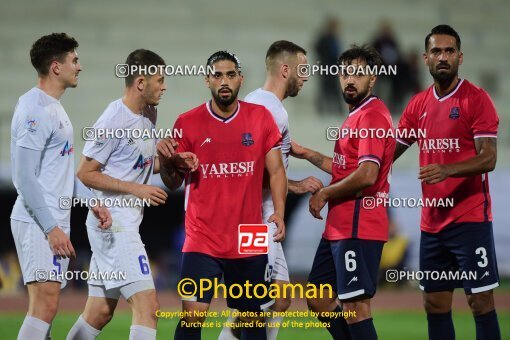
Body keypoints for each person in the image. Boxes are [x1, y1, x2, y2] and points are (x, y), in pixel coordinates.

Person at [158, 50, 287, 340]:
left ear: (240, 79)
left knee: (252, 317)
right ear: (207, 80)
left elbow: (277, 171)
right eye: (217, 75)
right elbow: (173, 182)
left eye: (230, 74)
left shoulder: (261, 118)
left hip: (249, 234)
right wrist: (169, 162)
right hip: (202, 235)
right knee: (192, 317)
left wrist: (277, 211)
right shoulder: (187, 122)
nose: (224, 81)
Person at [67, 49, 187, 340]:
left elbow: (139, 165)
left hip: (125, 222)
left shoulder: (149, 113)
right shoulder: (113, 119)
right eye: (160, 80)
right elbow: (85, 172)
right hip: (113, 224)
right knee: (148, 306)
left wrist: (172, 161)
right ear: (141, 82)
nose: (165, 86)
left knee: (99, 313)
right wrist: (138, 189)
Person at [394, 25, 501, 340]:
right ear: (425, 58)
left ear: (460, 57)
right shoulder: (418, 105)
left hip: (470, 220)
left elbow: (489, 158)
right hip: (433, 224)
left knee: (480, 301)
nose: (443, 57)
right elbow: (389, 152)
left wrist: (448, 169)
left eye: (449, 51)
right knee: (434, 303)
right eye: (436, 51)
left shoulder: (476, 100)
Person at [218, 40, 322, 340]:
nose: (305, 77)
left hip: (260, 217)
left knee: (279, 298)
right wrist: (297, 185)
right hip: (253, 218)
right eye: (302, 71)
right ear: (285, 69)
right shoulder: (267, 109)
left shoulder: (262, 104)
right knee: (258, 301)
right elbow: (249, 171)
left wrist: (298, 153)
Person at [10, 33, 110, 340]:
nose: (79, 66)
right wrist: (51, 228)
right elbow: (24, 177)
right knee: (45, 305)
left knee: (47, 311)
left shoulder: (53, 107)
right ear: (56, 67)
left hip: (49, 220)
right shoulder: (35, 111)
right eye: (74, 60)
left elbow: (59, 173)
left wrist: (92, 200)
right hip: (39, 222)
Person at [291, 45, 395, 339]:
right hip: (339, 228)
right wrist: (308, 154)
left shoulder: (372, 116)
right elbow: (346, 167)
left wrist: (324, 194)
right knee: (318, 297)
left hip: (358, 227)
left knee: (355, 308)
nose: (350, 79)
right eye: (345, 73)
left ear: (372, 79)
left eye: (358, 74)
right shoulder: (357, 115)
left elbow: (367, 174)